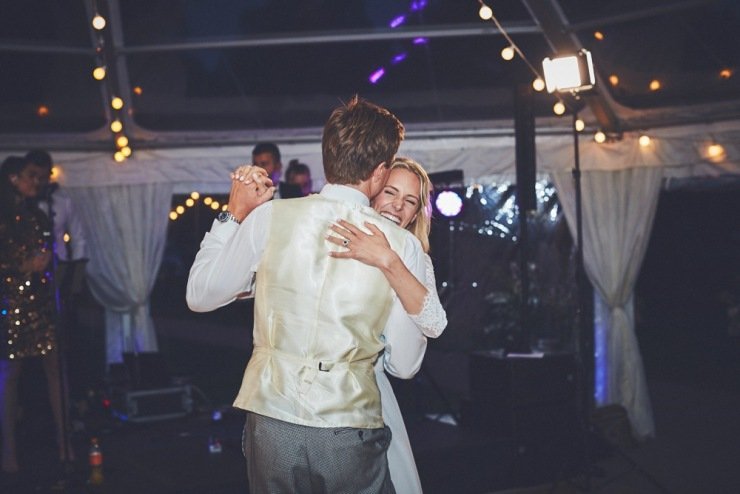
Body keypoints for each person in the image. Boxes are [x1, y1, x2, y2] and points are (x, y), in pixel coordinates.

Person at [187, 96, 427, 493]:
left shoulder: (268, 217)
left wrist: (233, 214)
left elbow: (199, 295)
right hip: (347, 427)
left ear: (328, 154)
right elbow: (403, 365)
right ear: (381, 172)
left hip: (271, 419)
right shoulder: (400, 246)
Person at [235, 156, 447, 493]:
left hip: (362, 398)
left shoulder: (412, 256)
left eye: (410, 201)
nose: (397, 206)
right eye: (391, 192)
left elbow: (419, 343)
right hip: (287, 403)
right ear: (373, 188)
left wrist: (389, 260)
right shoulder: (319, 235)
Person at [0, 156, 71, 474]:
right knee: (9, 378)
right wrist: (19, 266)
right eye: (32, 176)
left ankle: (64, 443)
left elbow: (49, 253)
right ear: (14, 178)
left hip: (40, 304)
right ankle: (8, 454)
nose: (38, 182)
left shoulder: (39, 217)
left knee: (56, 370)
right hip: (10, 304)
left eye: (42, 177)